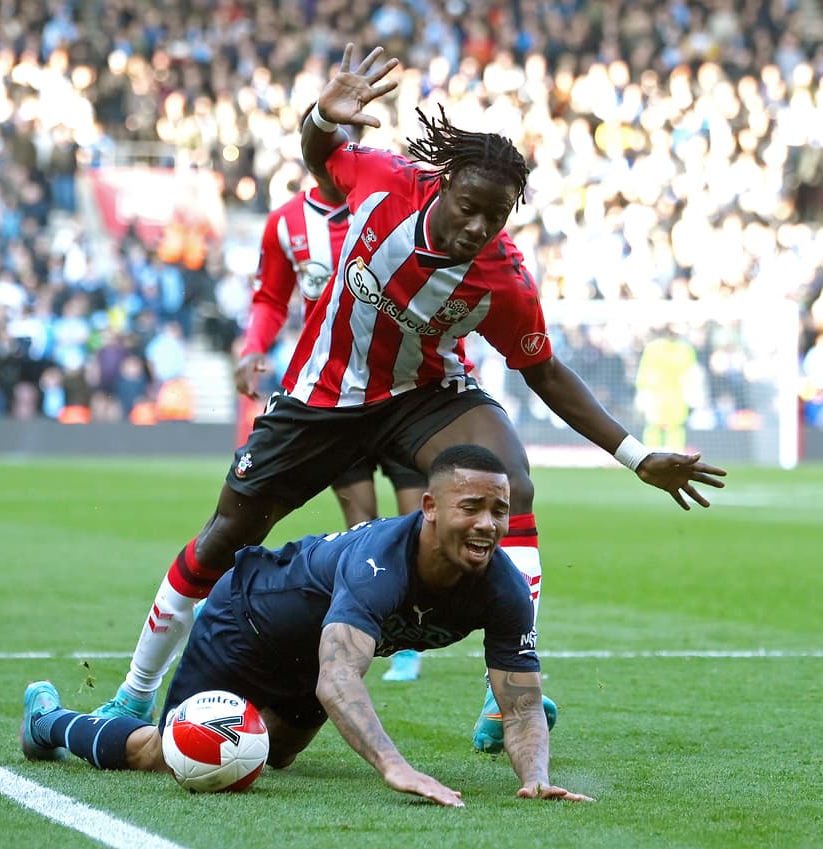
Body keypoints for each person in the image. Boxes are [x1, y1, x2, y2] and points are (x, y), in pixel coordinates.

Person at [94, 44, 726, 754]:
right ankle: (134, 691)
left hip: (421, 394)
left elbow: (543, 373)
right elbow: (320, 154)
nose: (480, 228)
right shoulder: (384, 179)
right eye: (469, 208)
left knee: (510, 485)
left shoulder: (503, 279)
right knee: (226, 535)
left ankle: (504, 695)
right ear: (442, 185)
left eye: (498, 215)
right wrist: (320, 117)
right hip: (321, 397)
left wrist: (636, 456)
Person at [22, 445, 593, 806]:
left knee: (270, 755)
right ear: (430, 508)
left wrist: (536, 777)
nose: (489, 524)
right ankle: (49, 722)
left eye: (500, 510)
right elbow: (339, 677)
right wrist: (395, 768)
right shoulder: (380, 563)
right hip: (244, 622)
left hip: (308, 656)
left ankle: (238, 729)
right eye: (471, 506)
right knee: (177, 755)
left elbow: (520, 705)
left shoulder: (505, 588)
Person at [235, 170, 427, 681]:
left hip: (405, 392)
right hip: (335, 397)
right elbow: (272, 298)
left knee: (417, 523)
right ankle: (382, 624)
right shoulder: (286, 223)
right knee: (363, 527)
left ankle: (412, 638)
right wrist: (254, 346)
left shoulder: (396, 204)